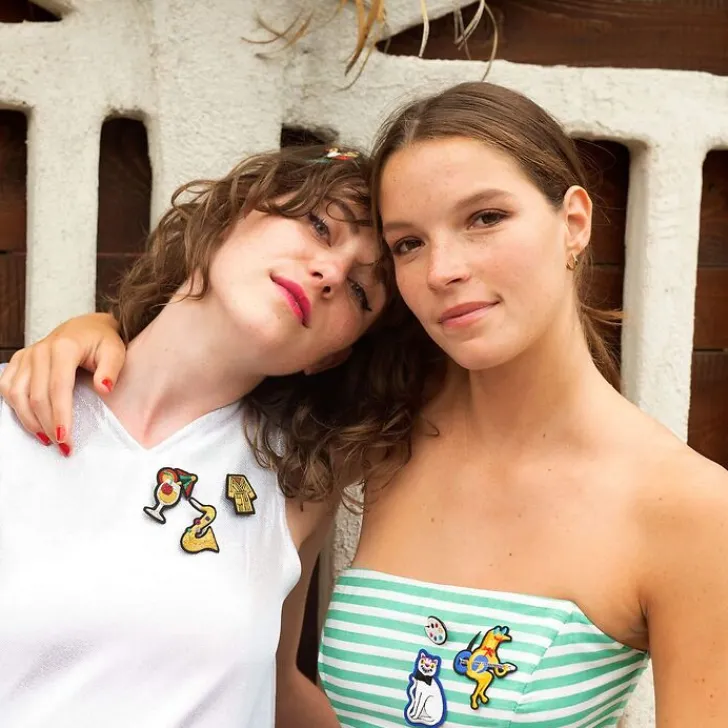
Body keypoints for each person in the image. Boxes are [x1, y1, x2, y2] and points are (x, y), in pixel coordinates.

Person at [4, 82, 728, 727]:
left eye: (485, 217)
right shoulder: (379, 438)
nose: (443, 269)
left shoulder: (693, 511)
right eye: (409, 244)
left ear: (574, 222)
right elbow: (276, 690)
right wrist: (90, 334)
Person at [0, 143, 411, 728]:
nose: (330, 273)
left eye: (361, 292)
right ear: (234, 211)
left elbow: (277, 689)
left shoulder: (297, 485)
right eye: (320, 225)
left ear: (330, 357)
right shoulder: (14, 411)